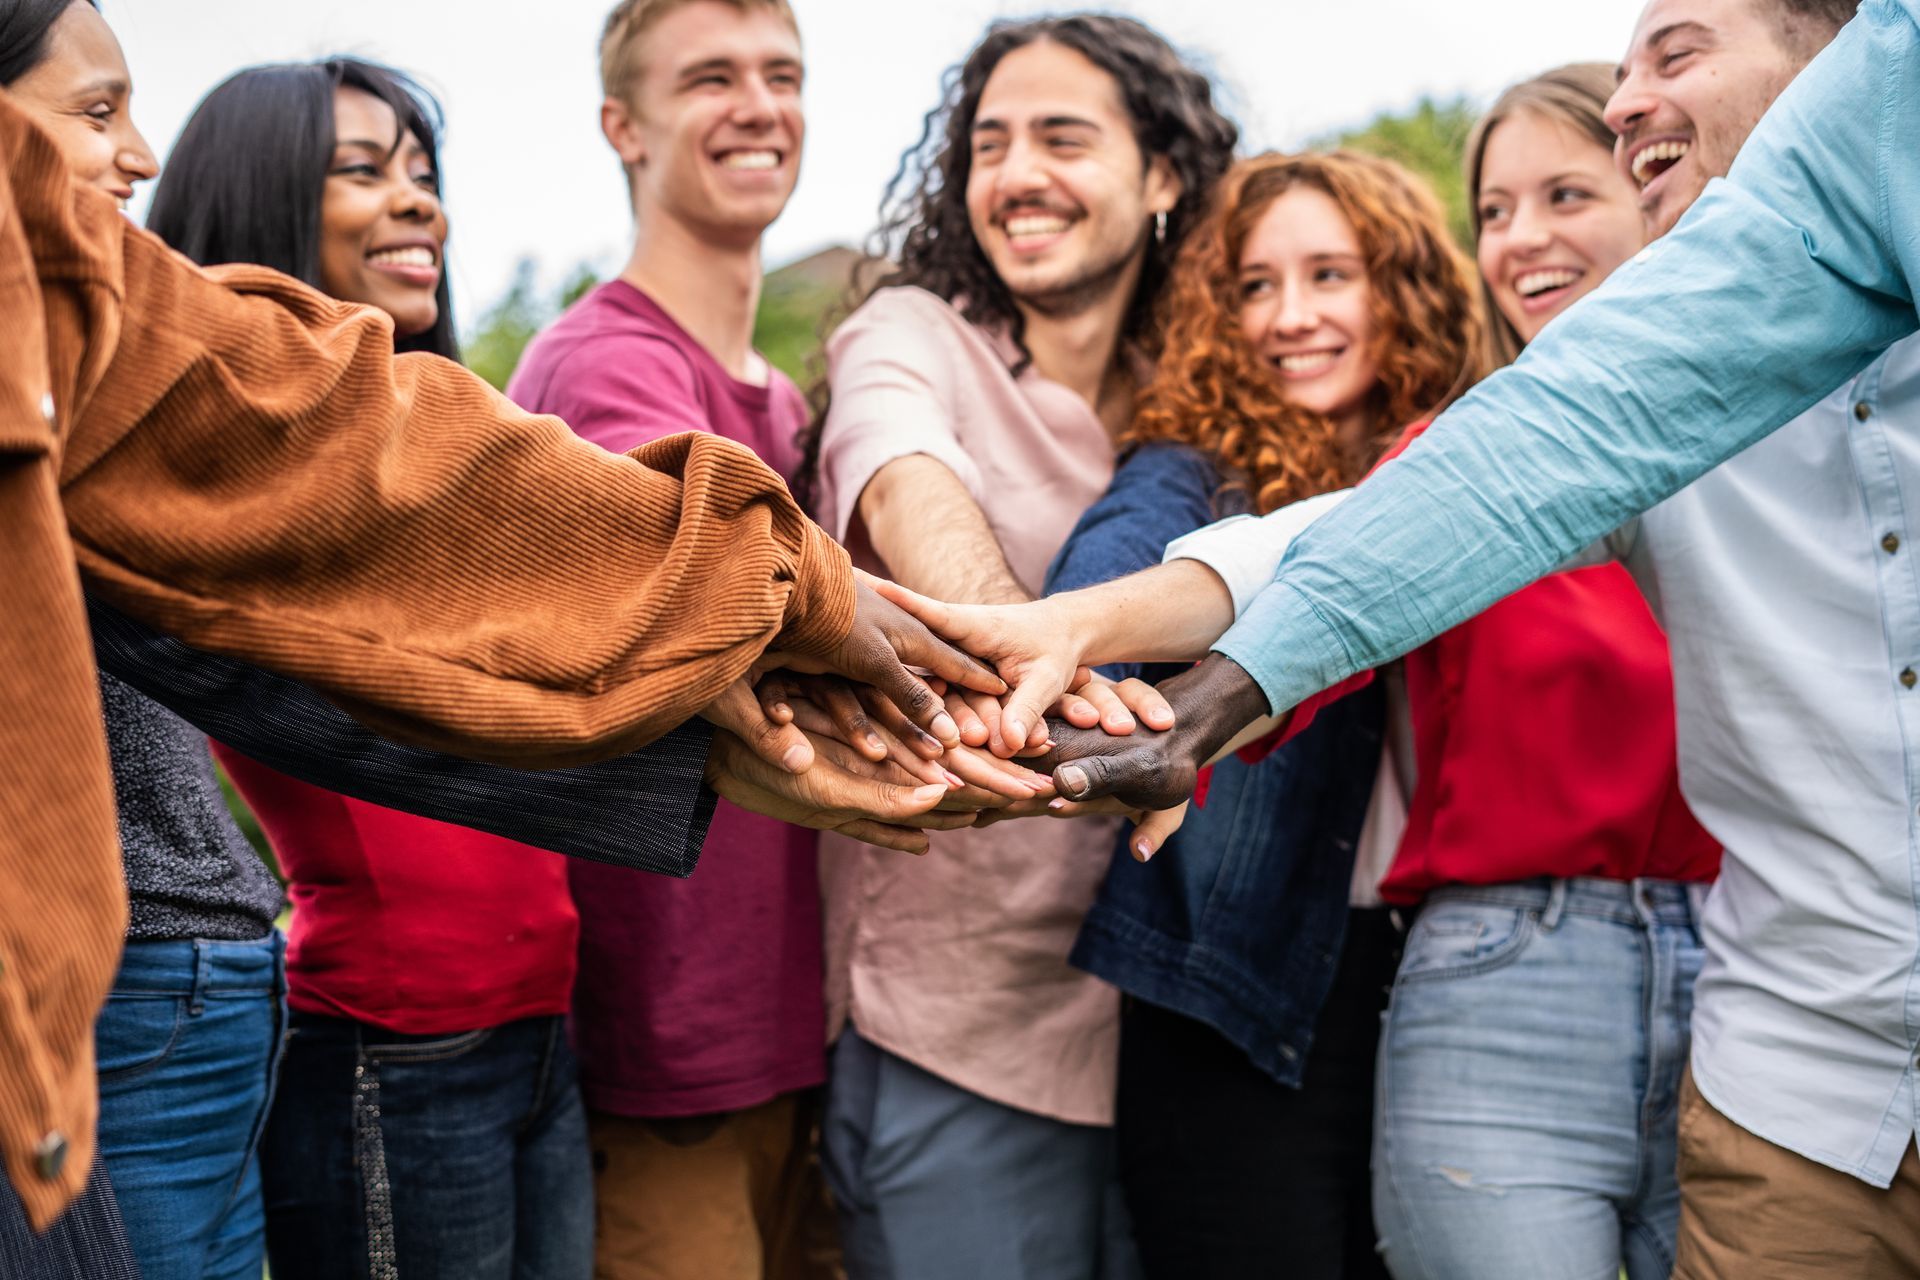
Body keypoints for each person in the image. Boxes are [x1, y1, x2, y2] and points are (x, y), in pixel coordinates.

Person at [888, 0, 1920, 1274]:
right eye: (1494, 209)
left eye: (1680, 52)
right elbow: (1359, 525)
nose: (1627, 99)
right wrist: (1083, 629)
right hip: (1703, 1051)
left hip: (1710, 973)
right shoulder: (1551, 429)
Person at [0, 0, 1003, 1239]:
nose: (135, 153)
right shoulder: (217, 426)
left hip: (404, 1008)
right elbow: (342, 672)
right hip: (335, 1020)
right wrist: (780, 600)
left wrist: (719, 739)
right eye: (95, 113)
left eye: (421, 170)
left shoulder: (123, 391)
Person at [501, 3, 993, 1274]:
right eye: (709, 78)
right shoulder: (599, 366)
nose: (759, 105)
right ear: (624, 125)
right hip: (673, 1042)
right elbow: (722, 592)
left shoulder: (784, 399)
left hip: (805, 1030)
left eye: (783, 74)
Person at [137, 56, 589, 1278]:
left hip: (540, 1022)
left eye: (424, 172)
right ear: (262, 198)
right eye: (363, 169)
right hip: (392, 1050)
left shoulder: (444, 437)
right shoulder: (243, 472)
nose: (418, 200)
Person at [799, 14, 1233, 1278]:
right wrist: (1035, 652)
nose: (1016, 173)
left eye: (1061, 135)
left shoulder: (1196, 399)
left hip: (1170, 1031)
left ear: (1162, 177)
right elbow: (906, 477)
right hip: (961, 1029)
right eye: (989, 142)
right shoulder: (914, 335)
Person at [1043, 150, 1480, 1279]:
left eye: (1332, 274)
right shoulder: (1194, 469)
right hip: (1229, 987)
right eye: (1253, 284)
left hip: (1449, 976)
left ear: (1404, 287)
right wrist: (1090, 627)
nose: (1291, 316)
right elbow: (1115, 565)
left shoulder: (1488, 471)